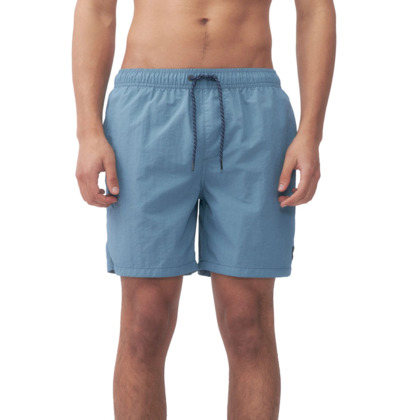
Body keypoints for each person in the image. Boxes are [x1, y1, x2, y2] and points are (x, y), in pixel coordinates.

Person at [72, 0, 336, 418]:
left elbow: (315, 9)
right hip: (146, 106)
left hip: (253, 108)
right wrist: (88, 131)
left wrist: (311, 133)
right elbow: (96, 9)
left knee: (248, 319)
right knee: (144, 318)